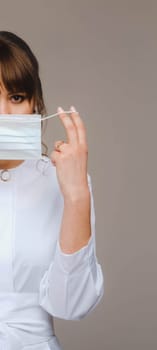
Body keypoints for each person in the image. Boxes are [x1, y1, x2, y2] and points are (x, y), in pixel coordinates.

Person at [0, 31, 103, 349]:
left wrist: (76, 196)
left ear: (35, 105)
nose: (2, 114)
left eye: (16, 97)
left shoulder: (60, 181)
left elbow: (72, 306)